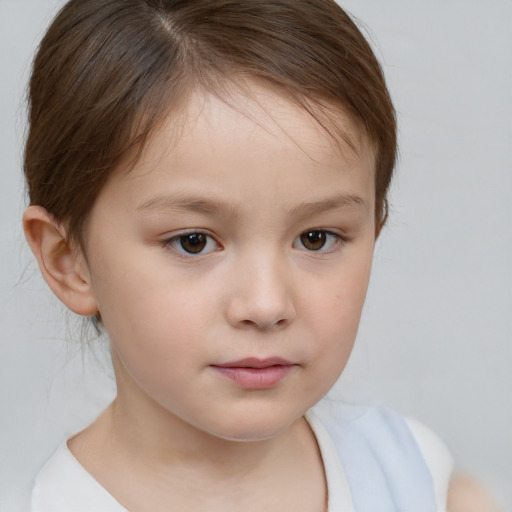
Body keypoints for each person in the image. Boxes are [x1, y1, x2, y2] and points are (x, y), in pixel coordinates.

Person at [23, 1, 456, 510]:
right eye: (193, 241)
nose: (267, 304)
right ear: (68, 259)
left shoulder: (419, 477)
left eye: (316, 238)